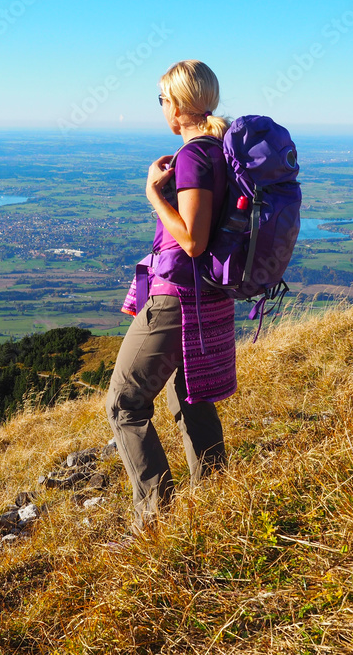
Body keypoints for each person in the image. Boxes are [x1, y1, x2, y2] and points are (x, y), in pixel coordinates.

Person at [106, 59, 237, 535]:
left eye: (162, 100)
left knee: (123, 404)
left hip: (179, 296)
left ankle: (155, 518)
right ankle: (217, 501)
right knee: (192, 395)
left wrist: (153, 195)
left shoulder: (196, 156)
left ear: (179, 105)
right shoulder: (220, 153)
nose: (161, 108)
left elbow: (193, 241)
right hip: (209, 296)